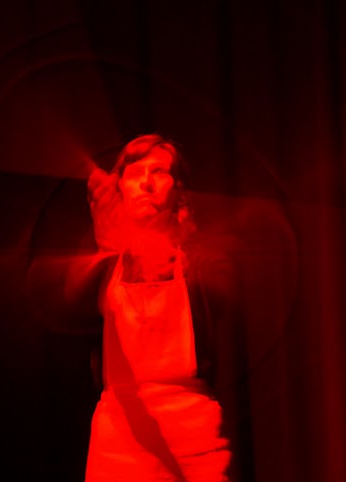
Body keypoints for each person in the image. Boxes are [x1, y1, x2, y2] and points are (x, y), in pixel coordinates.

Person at [77, 134, 237, 481]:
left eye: (159, 172)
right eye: (135, 173)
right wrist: (104, 251)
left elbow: (224, 295)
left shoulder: (204, 261)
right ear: (120, 188)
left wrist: (157, 240)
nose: (146, 183)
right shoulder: (104, 263)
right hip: (119, 433)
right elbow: (67, 308)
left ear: (178, 190)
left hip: (192, 429)